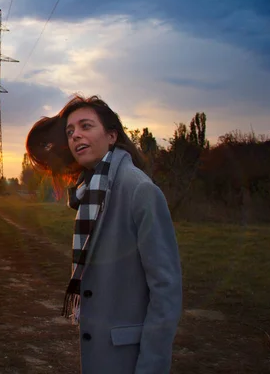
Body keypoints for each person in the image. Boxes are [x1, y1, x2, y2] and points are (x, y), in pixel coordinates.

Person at [25, 94, 182, 374]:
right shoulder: (92, 191)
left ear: (112, 136)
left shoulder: (139, 190)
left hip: (128, 357)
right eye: (70, 132)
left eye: (86, 126)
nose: (75, 136)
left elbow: (166, 290)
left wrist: (152, 366)